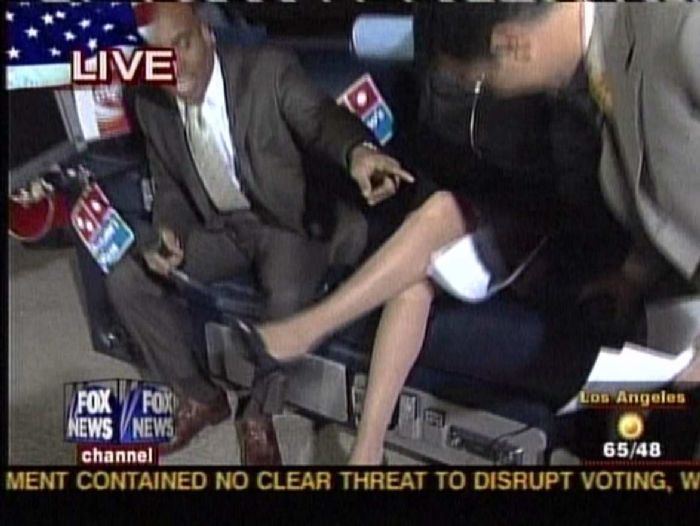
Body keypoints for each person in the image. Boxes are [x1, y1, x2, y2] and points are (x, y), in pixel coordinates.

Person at [231, 2, 700, 464]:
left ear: (512, 45)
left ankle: (305, 335)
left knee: (439, 219)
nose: (481, 89)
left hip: (569, 227)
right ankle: (366, 451)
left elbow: (589, 187)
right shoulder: (574, 59)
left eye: (481, 80)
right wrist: (633, 274)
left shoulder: (676, 31)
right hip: (532, 220)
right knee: (426, 247)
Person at [105, 3, 413, 461]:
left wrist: (356, 153)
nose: (173, 67)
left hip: (288, 221)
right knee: (126, 279)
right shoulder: (150, 103)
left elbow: (319, 117)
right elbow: (168, 185)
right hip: (222, 228)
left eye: (182, 45)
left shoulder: (268, 70)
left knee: (285, 294)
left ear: (207, 34)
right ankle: (201, 397)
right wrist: (169, 233)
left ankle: (256, 414)